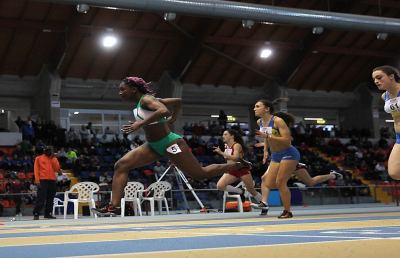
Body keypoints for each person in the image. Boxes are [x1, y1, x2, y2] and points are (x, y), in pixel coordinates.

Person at [94, 76, 251, 215]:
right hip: (153, 145)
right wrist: (174, 117)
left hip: (171, 143)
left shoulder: (147, 100)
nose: (120, 93)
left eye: (123, 90)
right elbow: (178, 102)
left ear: (134, 89)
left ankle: (237, 165)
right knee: (121, 165)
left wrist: (140, 123)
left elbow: (163, 110)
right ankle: (113, 207)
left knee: (200, 174)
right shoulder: (143, 103)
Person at [252, 100, 300, 219]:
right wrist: (265, 152)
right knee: (267, 182)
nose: (254, 108)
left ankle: (287, 211)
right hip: (276, 155)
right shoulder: (260, 122)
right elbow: (267, 139)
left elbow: (287, 140)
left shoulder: (278, 121)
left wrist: (267, 136)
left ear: (267, 109)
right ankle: (265, 202)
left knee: (280, 182)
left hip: (288, 153)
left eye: (257, 106)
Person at [213, 129, 263, 204]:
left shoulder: (237, 145)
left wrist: (221, 153)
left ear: (232, 136)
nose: (223, 136)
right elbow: (228, 159)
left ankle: (264, 205)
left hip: (241, 169)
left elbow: (236, 158)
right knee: (220, 186)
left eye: (225, 134)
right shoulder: (226, 146)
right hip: (231, 169)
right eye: (223, 134)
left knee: (251, 190)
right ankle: (240, 191)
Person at [372, 65, 400, 180]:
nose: (376, 81)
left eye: (379, 77)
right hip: (399, 137)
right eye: (374, 79)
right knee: (394, 173)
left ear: (391, 76)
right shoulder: (385, 96)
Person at [33, 146, 60, 220]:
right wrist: (37, 181)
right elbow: (36, 170)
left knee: (50, 198)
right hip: (42, 180)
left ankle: (48, 214)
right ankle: (36, 213)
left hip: (52, 180)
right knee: (41, 198)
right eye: (47, 150)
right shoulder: (38, 158)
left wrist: (54, 159)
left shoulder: (53, 158)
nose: (48, 152)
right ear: (44, 151)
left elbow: (57, 169)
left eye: (50, 150)